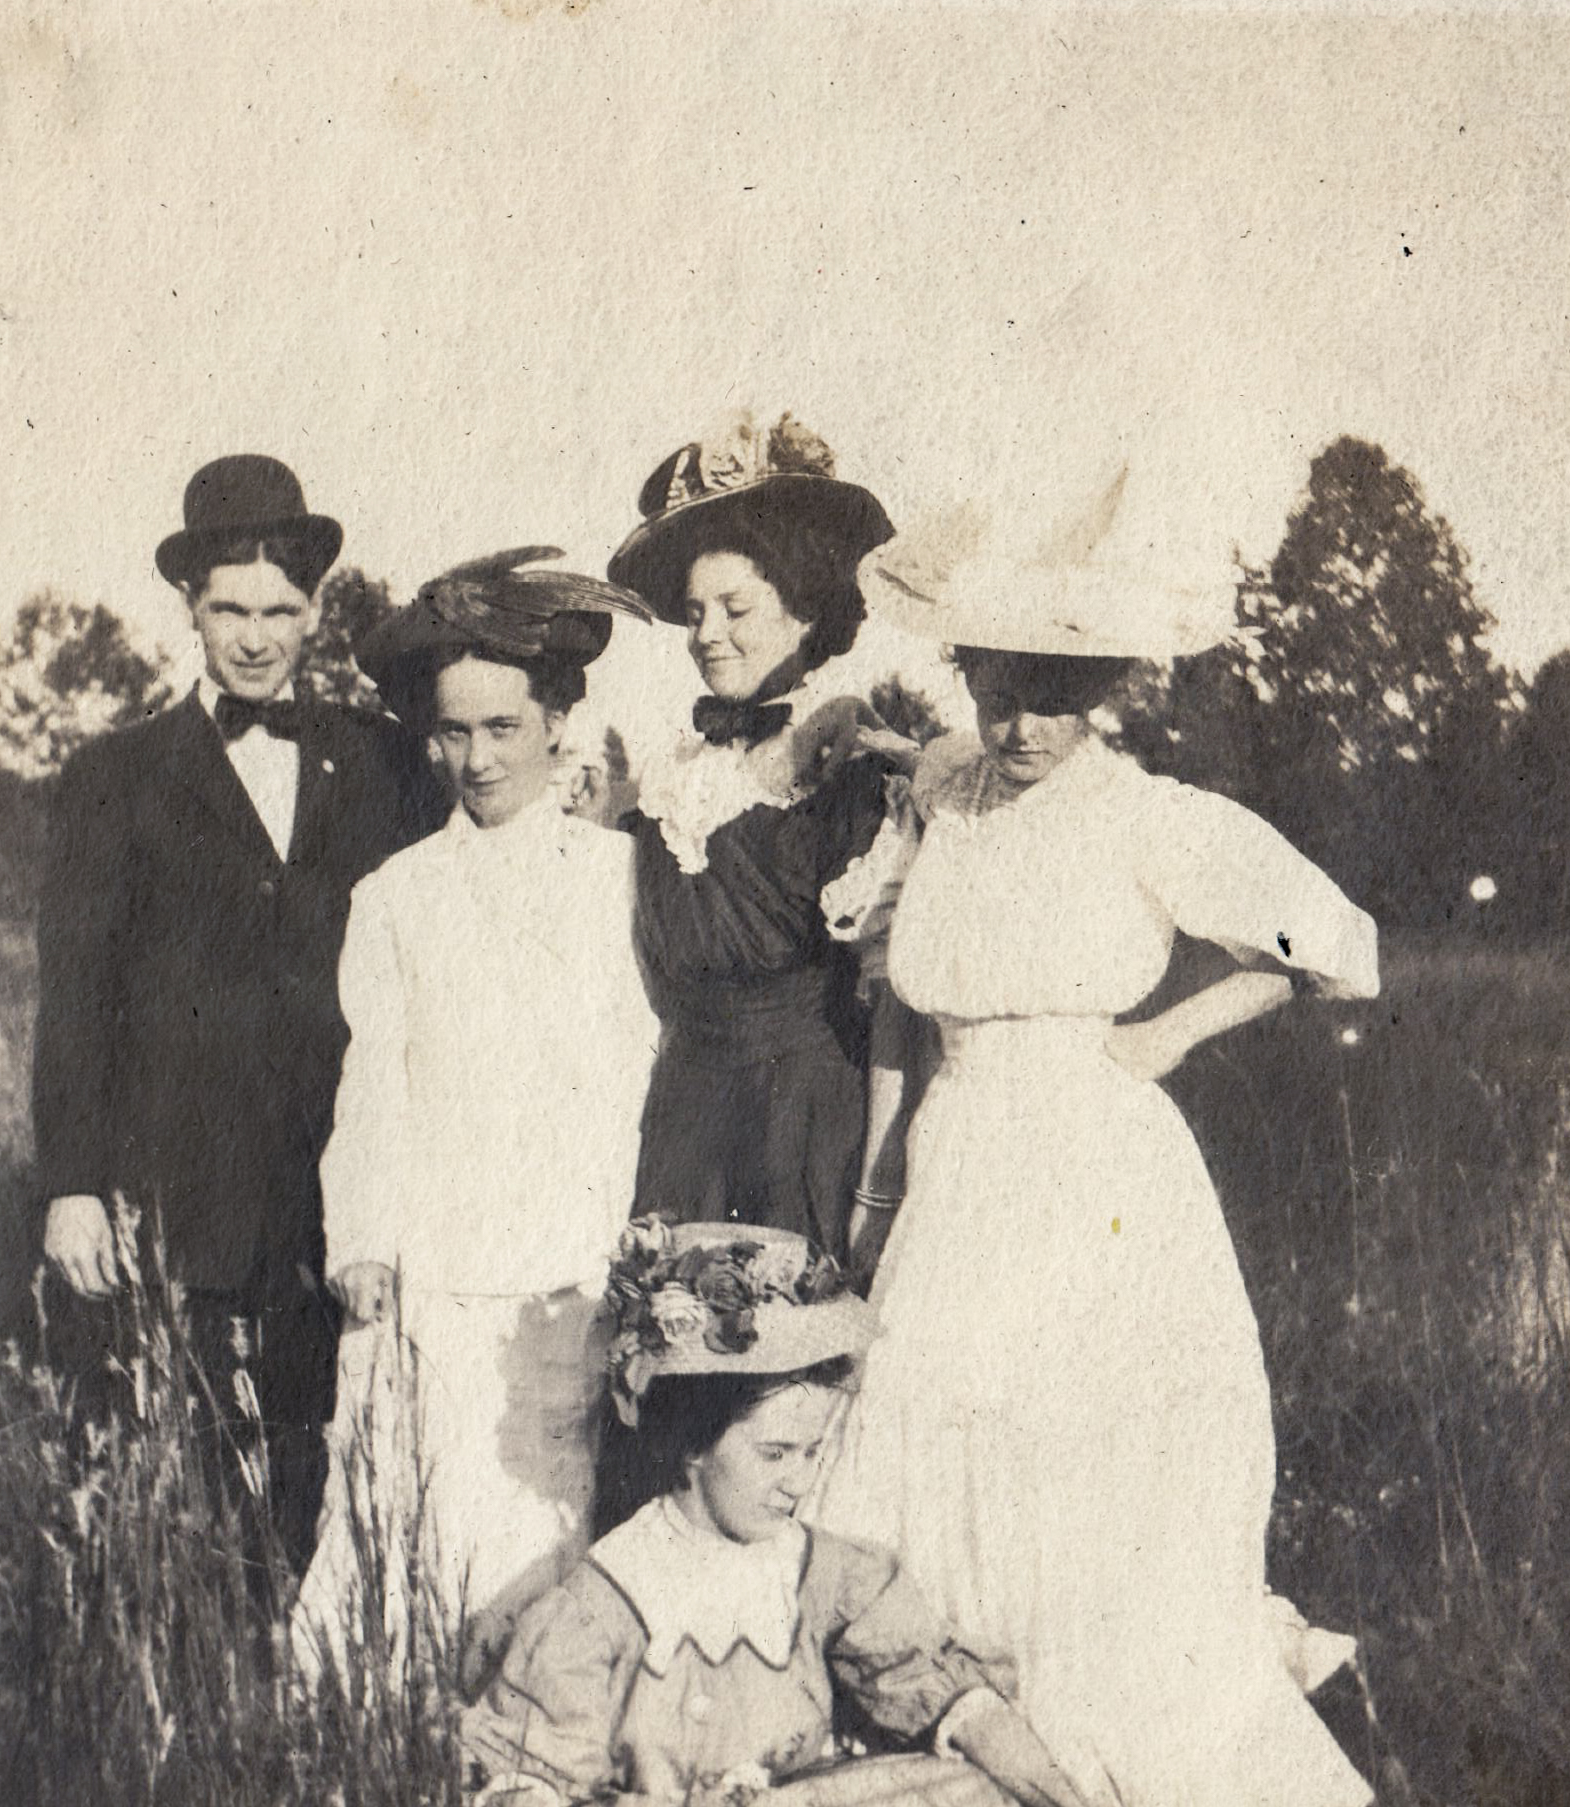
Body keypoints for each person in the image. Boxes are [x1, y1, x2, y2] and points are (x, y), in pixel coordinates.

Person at [820, 467, 1380, 1807]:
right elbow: (903, 1015)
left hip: (1091, 1155)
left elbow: (1334, 948)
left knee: (1077, 1434)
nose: (1023, 723)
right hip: (958, 1152)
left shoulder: (1144, 812)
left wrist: (1161, 1037)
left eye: (1058, 696)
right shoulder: (944, 797)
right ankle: (962, 1714)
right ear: (966, 677)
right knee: (933, 1410)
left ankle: (1093, 1720)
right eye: (1001, 688)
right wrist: (875, 1185)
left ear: (1112, 689)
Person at [32, 453, 448, 1587]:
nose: (256, 636)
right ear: (190, 609)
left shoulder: (387, 763)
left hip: (340, 1169)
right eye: (230, 609)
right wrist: (71, 1181)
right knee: (197, 1444)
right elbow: (76, 989)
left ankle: (327, 1647)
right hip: (182, 1171)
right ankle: (219, 1656)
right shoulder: (115, 774)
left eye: (280, 609)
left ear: (316, 610)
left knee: (336, 1429)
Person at [294, 550, 660, 1685]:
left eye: (503, 727)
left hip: (568, 1265)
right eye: (452, 733)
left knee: (542, 1524)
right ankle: (372, 1730)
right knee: (405, 1514)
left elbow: (639, 1071)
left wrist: (631, 1248)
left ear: (558, 721)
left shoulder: (624, 880)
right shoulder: (396, 895)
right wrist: (359, 1238)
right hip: (435, 1262)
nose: (476, 758)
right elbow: (375, 1085)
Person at [463, 1219, 1087, 1807]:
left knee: (965, 1784)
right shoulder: (605, 1603)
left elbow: (936, 1684)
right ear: (691, 1444)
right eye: (775, 1454)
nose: (800, 1480)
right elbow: (533, 1775)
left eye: (813, 1450)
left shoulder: (825, 1576)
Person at [606, 411, 907, 1264]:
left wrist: (876, 1190)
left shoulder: (854, 771)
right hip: (684, 1124)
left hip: (807, 1124)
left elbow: (891, 1007)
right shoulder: (669, 778)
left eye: (735, 608)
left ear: (805, 611)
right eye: (695, 611)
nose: (707, 634)